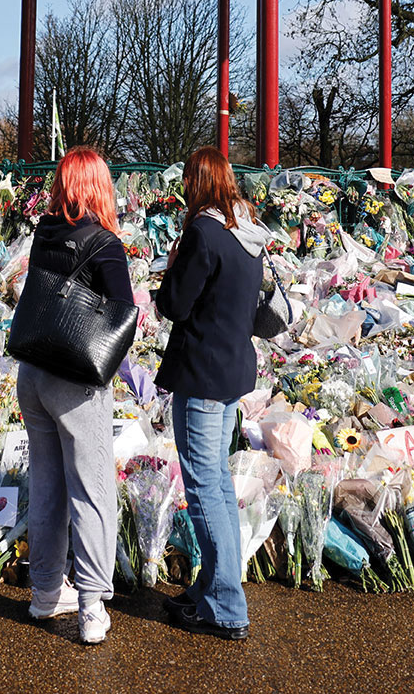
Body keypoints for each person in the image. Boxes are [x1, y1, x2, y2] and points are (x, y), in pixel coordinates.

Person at [16, 146, 133, 646]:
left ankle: (45, 593)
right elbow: (123, 312)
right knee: (92, 490)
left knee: (47, 484)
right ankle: (91, 607)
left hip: (32, 372)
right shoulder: (104, 244)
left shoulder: (43, 232)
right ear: (99, 187)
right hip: (75, 380)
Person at [154, 146, 261, 643]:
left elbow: (175, 304)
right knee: (217, 484)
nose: (183, 187)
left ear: (199, 181)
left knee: (203, 489)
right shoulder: (247, 233)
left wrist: (173, 265)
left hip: (200, 376)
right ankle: (211, 588)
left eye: (187, 179)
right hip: (232, 373)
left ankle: (226, 606)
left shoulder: (203, 232)